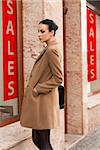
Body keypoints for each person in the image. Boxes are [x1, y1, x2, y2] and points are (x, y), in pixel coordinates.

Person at [20, 19, 63, 150]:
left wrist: (37, 89)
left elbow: (58, 78)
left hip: (43, 103)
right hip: (41, 103)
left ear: (52, 32)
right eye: (38, 31)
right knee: (37, 139)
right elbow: (48, 68)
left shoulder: (51, 51)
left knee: (43, 141)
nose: (39, 34)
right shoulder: (48, 49)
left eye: (42, 31)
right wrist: (38, 56)